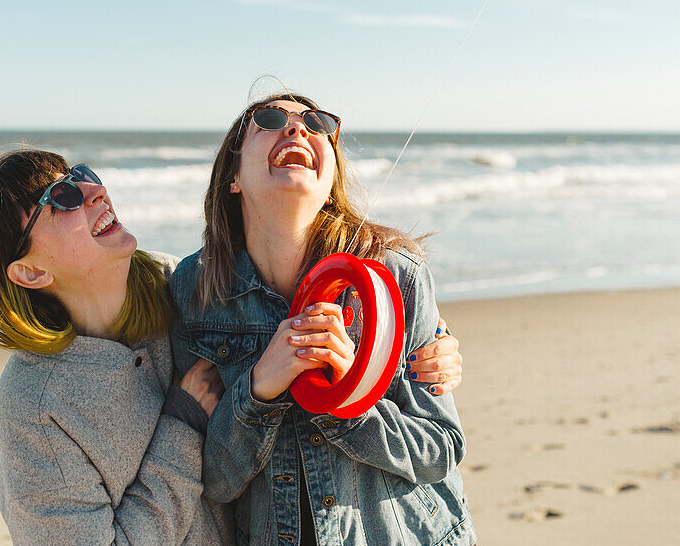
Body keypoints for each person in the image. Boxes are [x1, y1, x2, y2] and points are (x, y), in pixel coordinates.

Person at [0, 148, 464, 546]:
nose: (93, 192)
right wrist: (182, 427)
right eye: (61, 199)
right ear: (31, 271)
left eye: (82, 175)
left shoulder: (184, 290)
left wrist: (424, 342)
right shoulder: (33, 407)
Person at [169, 93, 477, 546]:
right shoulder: (195, 291)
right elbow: (212, 482)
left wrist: (348, 398)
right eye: (270, 119)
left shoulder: (395, 276)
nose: (298, 130)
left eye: (317, 123)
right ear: (232, 176)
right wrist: (259, 388)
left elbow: (442, 448)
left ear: (331, 174)